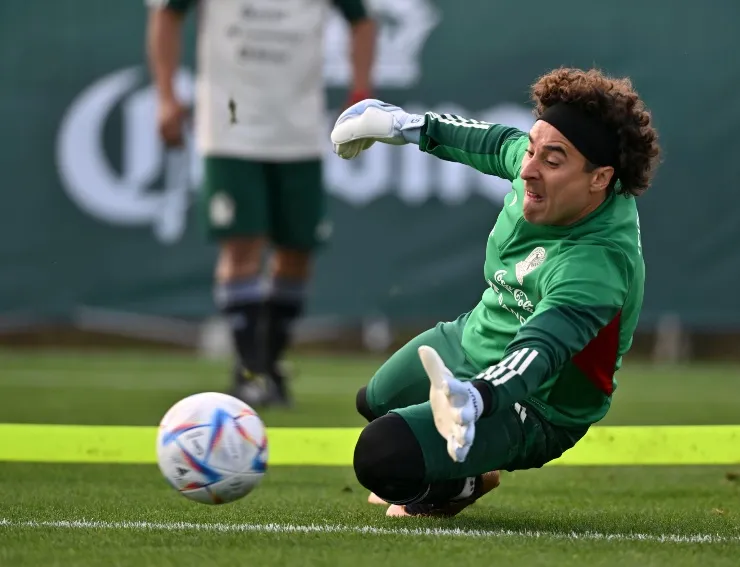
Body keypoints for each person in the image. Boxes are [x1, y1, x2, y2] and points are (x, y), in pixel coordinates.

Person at [330, 67, 661, 516]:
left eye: (552, 161)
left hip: (539, 402)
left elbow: (539, 352)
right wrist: (402, 124)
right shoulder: (540, 169)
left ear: (600, 178)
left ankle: (463, 483)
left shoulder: (597, 262)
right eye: (532, 150)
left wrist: (478, 396)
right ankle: (457, 463)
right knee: (375, 401)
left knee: (381, 455)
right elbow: (491, 140)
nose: (528, 169)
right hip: (475, 338)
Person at [146, 0, 377, 406]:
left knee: (297, 253)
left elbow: (362, 21)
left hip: (300, 129)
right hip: (230, 127)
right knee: (242, 246)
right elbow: (166, 14)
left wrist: (360, 93)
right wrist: (165, 96)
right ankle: (250, 370)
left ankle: (268, 364)